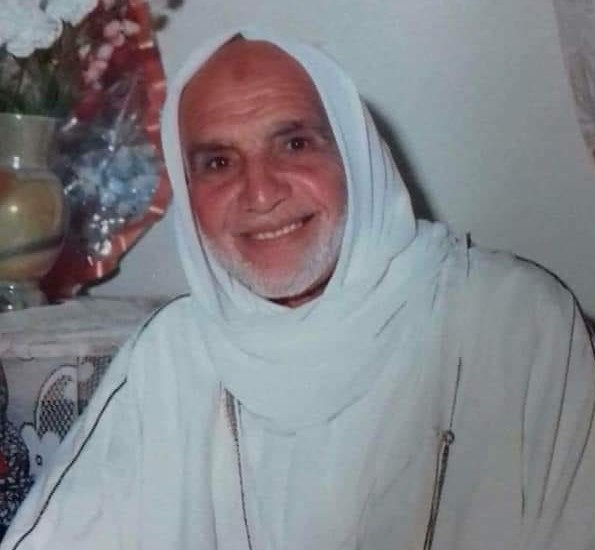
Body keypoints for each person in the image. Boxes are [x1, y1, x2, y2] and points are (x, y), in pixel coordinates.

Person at [2, 28, 595, 550]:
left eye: (294, 144)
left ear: (355, 155)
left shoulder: (515, 322)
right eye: (218, 162)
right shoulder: (172, 356)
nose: (261, 194)